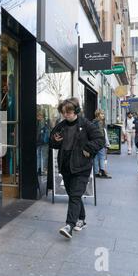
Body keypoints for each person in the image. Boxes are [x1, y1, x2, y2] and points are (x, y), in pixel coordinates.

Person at [50, 98, 105, 239]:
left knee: (74, 195)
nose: (65, 115)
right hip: (66, 166)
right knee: (73, 194)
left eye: (68, 112)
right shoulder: (61, 126)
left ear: (76, 111)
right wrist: (55, 141)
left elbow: (100, 140)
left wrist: (88, 148)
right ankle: (82, 219)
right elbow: (51, 142)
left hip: (82, 166)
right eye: (63, 112)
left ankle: (69, 225)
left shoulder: (86, 125)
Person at [92, 110, 112, 179]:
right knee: (102, 157)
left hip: (95, 142)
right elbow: (102, 134)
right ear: (98, 115)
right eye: (101, 114)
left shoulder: (93, 122)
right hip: (100, 143)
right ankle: (102, 171)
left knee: (96, 157)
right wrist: (106, 143)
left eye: (103, 114)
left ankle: (96, 172)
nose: (103, 115)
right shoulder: (100, 123)